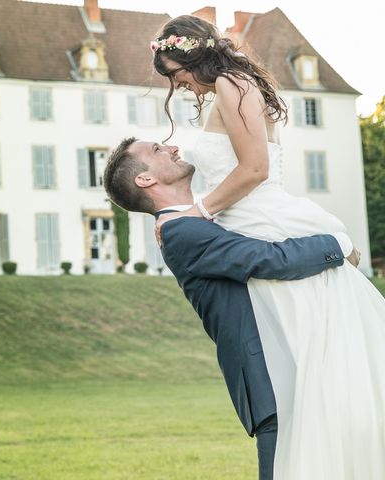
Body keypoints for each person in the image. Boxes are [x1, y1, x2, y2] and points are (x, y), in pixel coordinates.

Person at [144, 15, 385, 479]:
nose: (179, 84)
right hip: (247, 220)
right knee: (299, 363)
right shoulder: (232, 88)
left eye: (177, 72)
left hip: (264, 221)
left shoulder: (233, 85)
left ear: (196, 56)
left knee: (313, 354)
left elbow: (253, 169)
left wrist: (201, 211)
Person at [103, 138, 358, 479]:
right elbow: (271, 259)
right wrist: (339, 244)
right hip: (270, 378)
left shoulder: (204, 217)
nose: (173, 148)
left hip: (294, 364)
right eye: (158, 150)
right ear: (145, 179)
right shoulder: (180, 231)